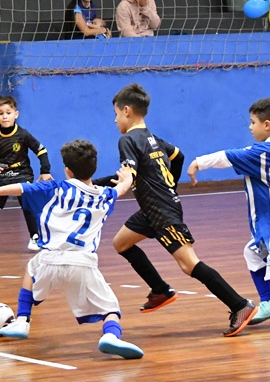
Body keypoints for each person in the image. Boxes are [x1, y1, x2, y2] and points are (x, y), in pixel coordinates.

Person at [0, 140, 144, 359]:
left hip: (49, 259)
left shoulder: (54, 189)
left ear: (67, 169)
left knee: (31, 268)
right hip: (83, 263)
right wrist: (128, 178)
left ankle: (22, 320)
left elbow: (19, 188)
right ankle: (111, 336)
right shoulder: (104, 195)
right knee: (110, 308)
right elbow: (120, 189)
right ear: (93, 168)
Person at [108, 83, 257, 335]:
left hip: (162, 213)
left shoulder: (127, 140)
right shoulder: (153, 138)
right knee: (121, 243)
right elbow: (178, 156)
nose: (114, 120)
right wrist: (170, 186)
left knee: (189, 265)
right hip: (151, 210)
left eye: (115, 114)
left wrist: (111, 192)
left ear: (126, 111)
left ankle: (239, 305)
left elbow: (129, 177)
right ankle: (160, 290)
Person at [188, 98, 270, 333]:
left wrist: (198, 163)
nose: (250, 127)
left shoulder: (268, 150)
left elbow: (228, 156)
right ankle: (269, 302)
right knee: (252, 252)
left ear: (267, 125)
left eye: (253, 122)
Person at [0, 95, 52, 252]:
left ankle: (34, 236)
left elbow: (41, 151)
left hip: (22, 174)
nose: (5, 116)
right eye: (1, 113)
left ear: (16, 114)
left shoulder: (23, 134)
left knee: (26, 197)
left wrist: (45, 171)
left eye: (8, 112)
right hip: (2, 177)